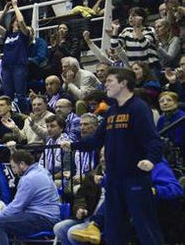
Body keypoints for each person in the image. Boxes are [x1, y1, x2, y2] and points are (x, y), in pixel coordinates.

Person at [62, 67, 165, 244]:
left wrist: (150, 159)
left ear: (124, 83)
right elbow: (95, 140)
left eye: (110, 81)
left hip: (135, 178)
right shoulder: (111, 112)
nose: (106, 84)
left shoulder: (139, 108)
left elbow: (154, 140)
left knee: (146, 228)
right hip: (114, 179)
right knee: (114, 231)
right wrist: (73, 145)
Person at [0, 150, 60, 245]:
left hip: (43, 219)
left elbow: (17, 206)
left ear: (22, 164)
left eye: (13, 167)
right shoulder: (41, 170)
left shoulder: (28, 179)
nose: (13, 171)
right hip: (51, 217)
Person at [0, 0, 31, 110]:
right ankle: (9, 116)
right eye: (15, 21)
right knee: (7, 96)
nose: (18, 23)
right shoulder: (7, 34)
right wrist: (5, 10)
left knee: (20, 94)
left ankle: (24, 115)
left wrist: (15, 6)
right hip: (6, 67)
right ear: (12, 23)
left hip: (19, 66)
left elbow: (22, 21)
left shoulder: (24, 34)